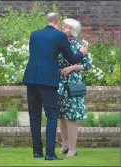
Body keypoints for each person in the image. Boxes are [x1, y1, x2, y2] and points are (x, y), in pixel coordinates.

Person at [22, 13, 88, 161]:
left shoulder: (34, 35)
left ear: (47, 21)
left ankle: (37, 151)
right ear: (57, 22)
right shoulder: (59, 36)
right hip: (48, 80)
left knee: (34, 116)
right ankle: (50, 153)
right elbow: (72, 58)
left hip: (31, 78)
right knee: (52, 116)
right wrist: (81, 53)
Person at [58, 18, 91, 157]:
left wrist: (71, 68)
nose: (63, 27)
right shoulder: (58, 43)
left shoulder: (80, 44)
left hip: (72, 85)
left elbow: (87, 65)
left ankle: (73, 148)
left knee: (71, 117)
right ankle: (65, 144)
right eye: (63, 25)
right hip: (59, 84)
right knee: (61, 116)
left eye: (66, 26)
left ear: (72, 30)